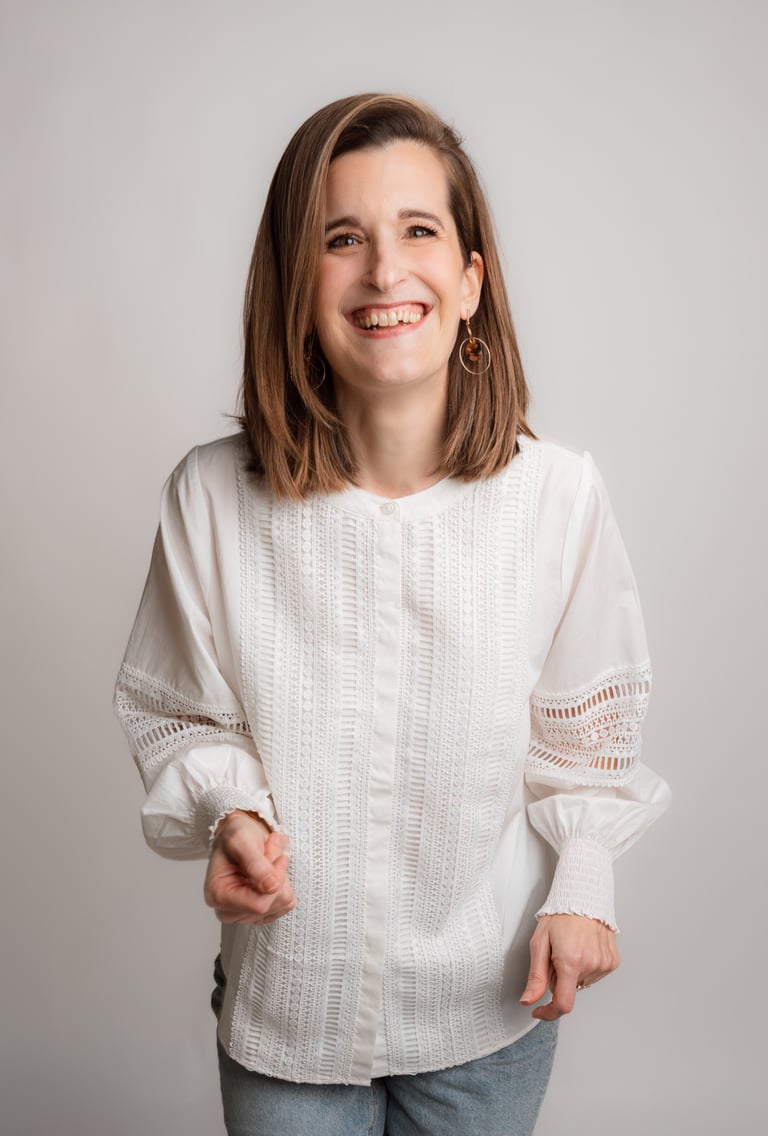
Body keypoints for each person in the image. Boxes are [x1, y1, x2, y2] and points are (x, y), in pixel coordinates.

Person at [114, 93, 670, 1136]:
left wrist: (584, 880)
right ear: (296, 283)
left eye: (418, 231)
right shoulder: (211, 497)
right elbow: (183, 714)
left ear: (471, 280)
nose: (383, 271)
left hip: (488, 1013)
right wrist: (230, 813)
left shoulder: (559, 498)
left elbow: (585, 750)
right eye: (342, 239)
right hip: (289, 1012)